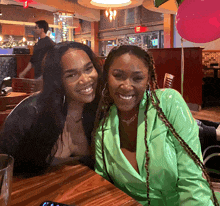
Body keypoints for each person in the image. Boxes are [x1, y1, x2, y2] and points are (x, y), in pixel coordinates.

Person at [93, 45, 219, 206]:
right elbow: (104, 188)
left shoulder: (168, 103)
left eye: (137, 78)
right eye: (118, 76)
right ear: (106, 77)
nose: (126, 86)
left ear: (148, 80)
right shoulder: (102, 129)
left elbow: (192, 180)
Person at [0, 41, 102, 176]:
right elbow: (4, 166)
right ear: (57, 80)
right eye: (71, 75)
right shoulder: (30, 114)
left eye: (88, 69)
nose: (85, 79)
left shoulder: (100, 109)